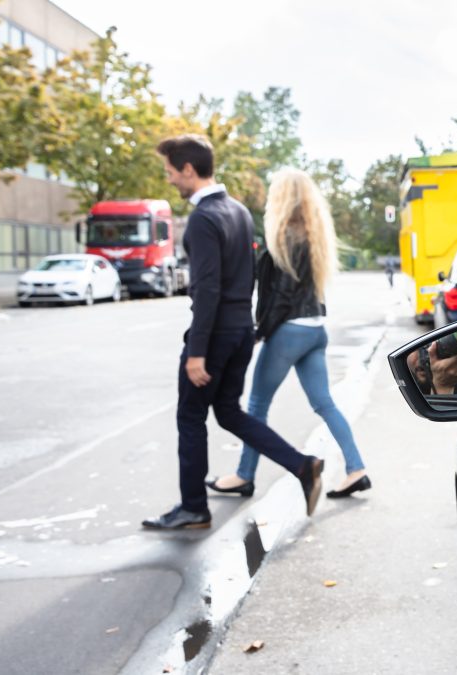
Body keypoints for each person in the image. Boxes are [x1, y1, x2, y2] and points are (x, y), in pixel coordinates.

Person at [143, 136, 325, 530]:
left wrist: (196, 351)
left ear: (188, 169)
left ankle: (193, 507)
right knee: (227, 411)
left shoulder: (205, 219)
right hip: (240, 331)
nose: (170, 179)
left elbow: (206, 288)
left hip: (214, 336)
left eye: (171, 172)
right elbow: (247, 278)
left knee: (190, 417)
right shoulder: (239, 212)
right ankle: (302, 465)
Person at [205, 168, 371, 500]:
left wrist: (258, 332)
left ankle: (244, 475)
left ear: (281, 197)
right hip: (314, 329)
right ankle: (356, 469)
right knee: (324, 404)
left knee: (255, 405)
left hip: (289, 331)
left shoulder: (284, 236)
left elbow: (279, 297)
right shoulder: (313, 235)